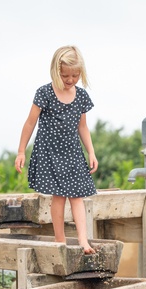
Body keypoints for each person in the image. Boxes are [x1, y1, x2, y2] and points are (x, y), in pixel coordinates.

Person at [15, 45, 98, 254]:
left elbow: (83, 127)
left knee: (77, 197)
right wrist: (21, 151)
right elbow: (29, 123)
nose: (70, 80)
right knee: (59, 197)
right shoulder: (44, 93)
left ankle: (83, 240)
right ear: (56, 71)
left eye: (75, 75)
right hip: (50, 153)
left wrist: (91, 151)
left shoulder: (80, 96)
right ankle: (59, 240)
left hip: (72, 153)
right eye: (65, 75)